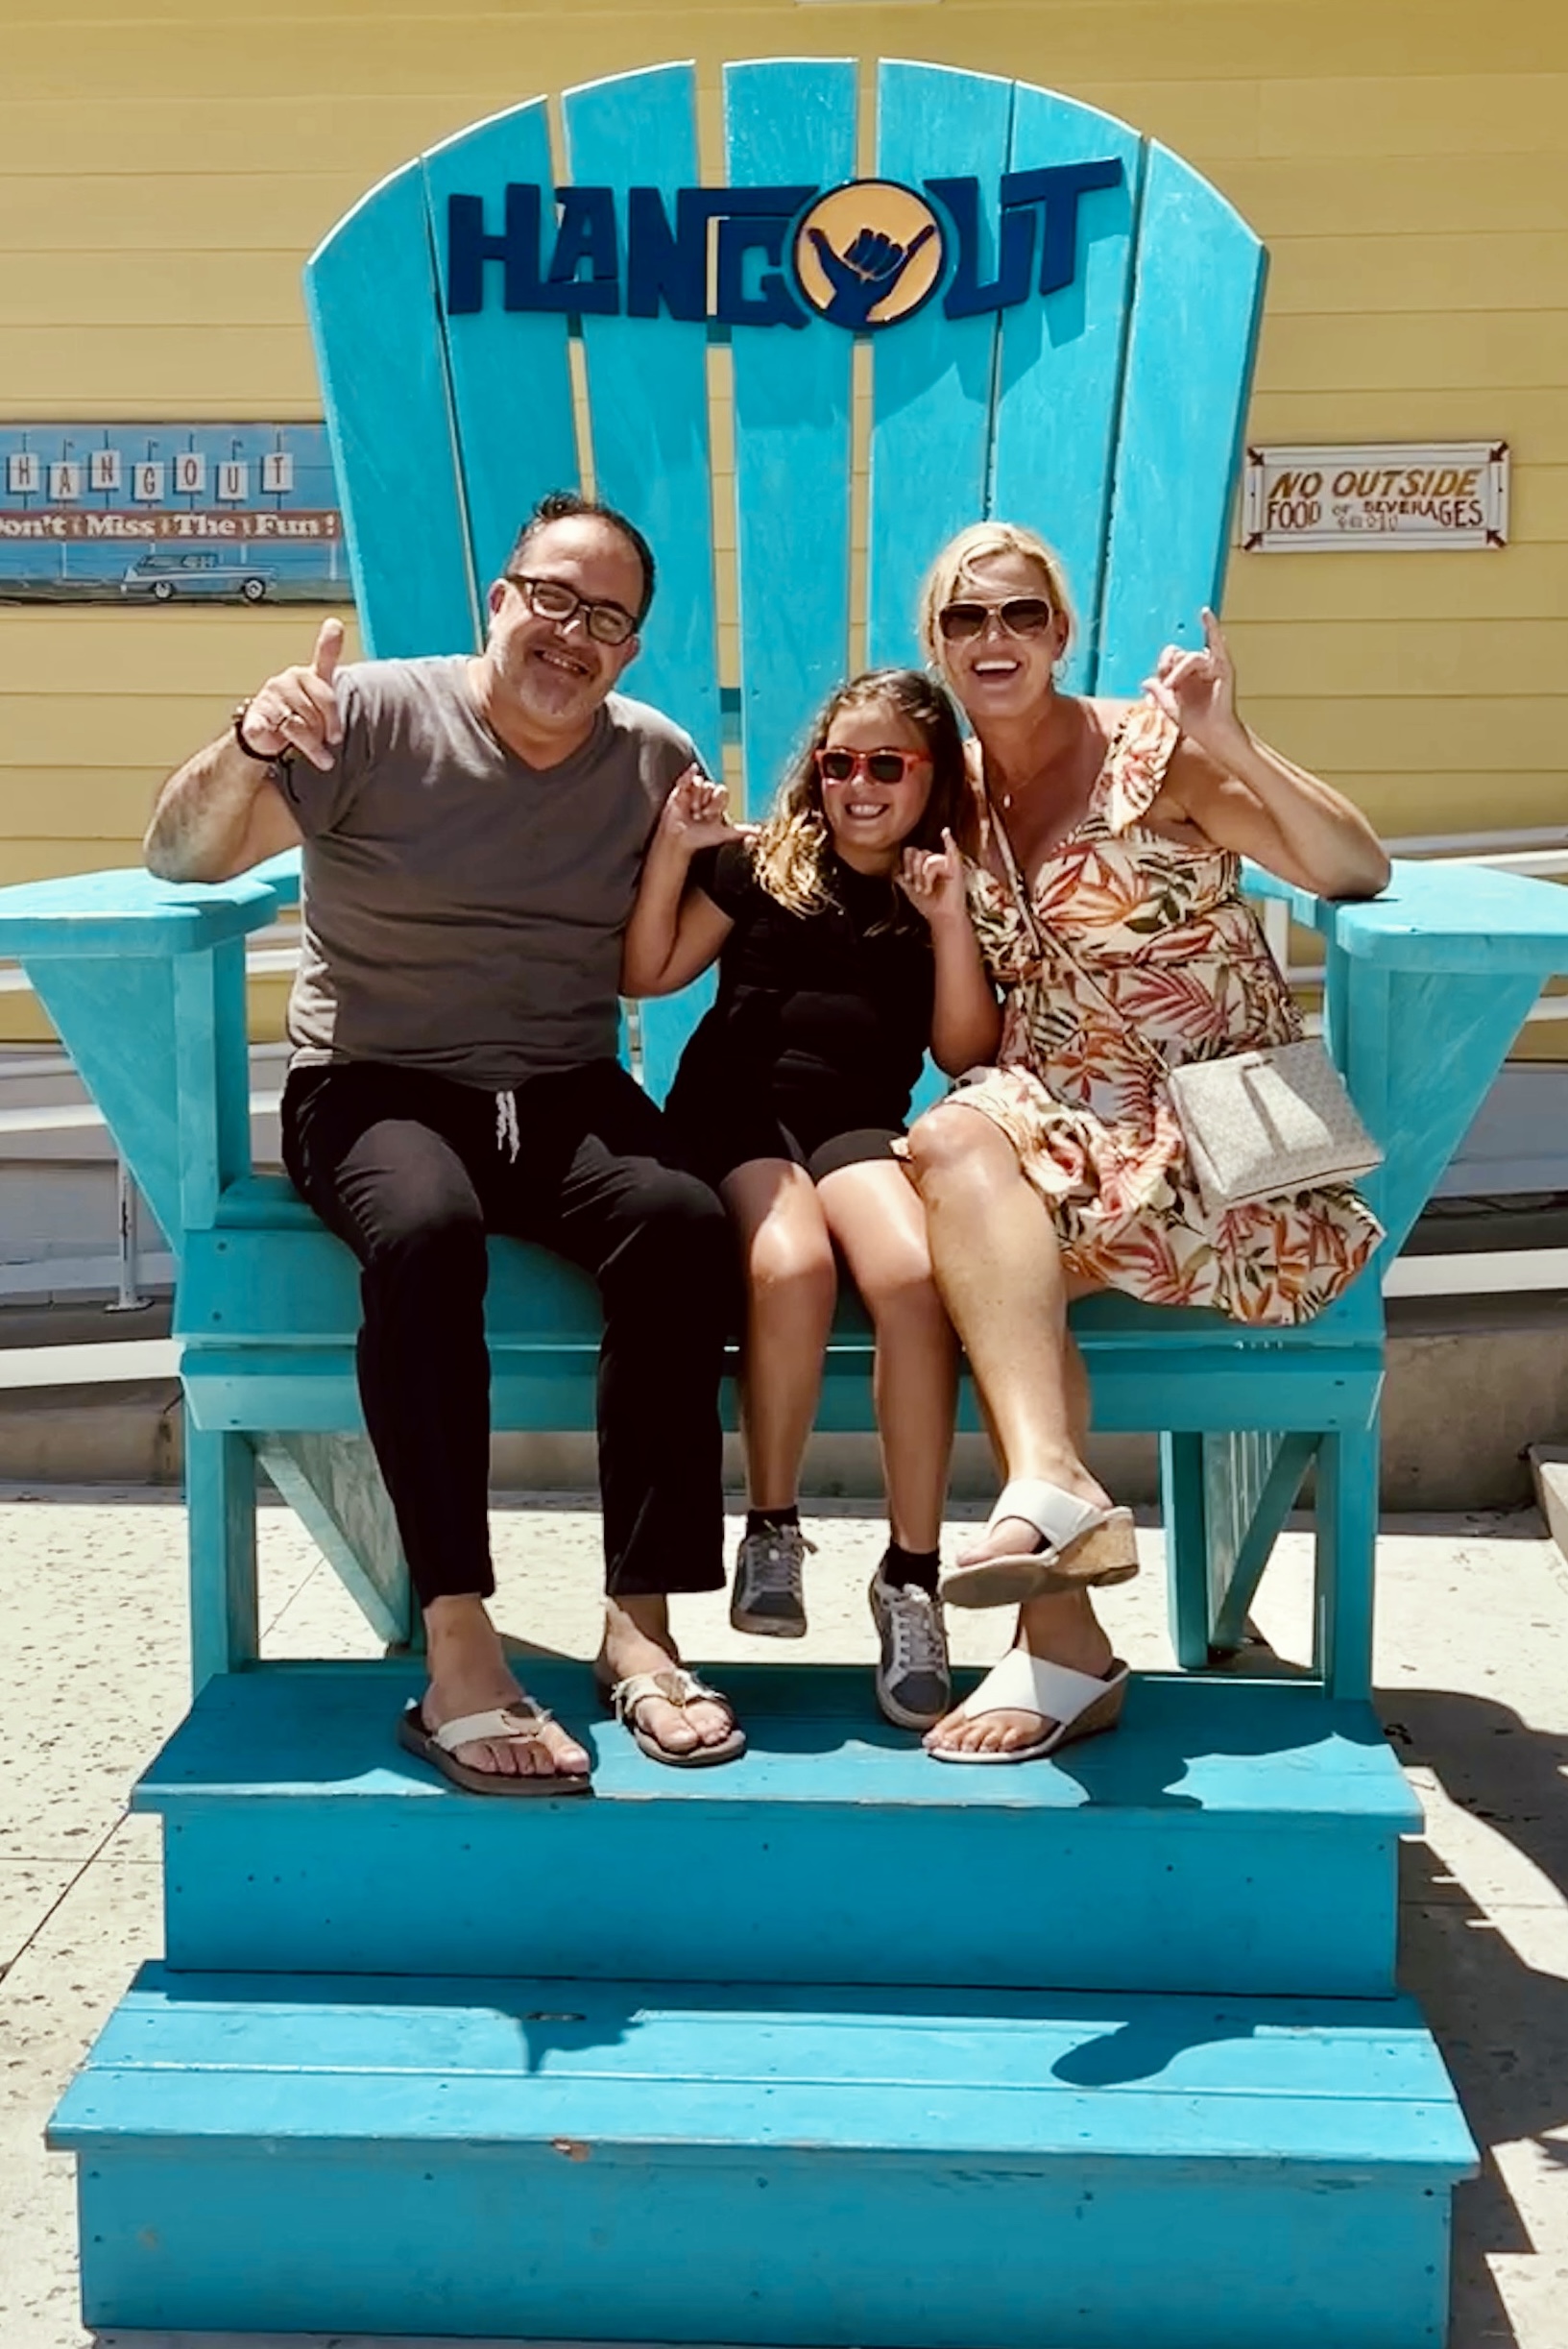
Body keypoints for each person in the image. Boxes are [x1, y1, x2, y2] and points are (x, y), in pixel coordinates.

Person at [143, 489, 747, 1793]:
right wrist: (249, 742)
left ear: (631, 649)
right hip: (372, 1081)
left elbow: (697, 929)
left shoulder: (650, 759)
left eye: (605, 618)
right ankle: (459, 1643)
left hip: (563, 1084)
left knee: (683, 1222)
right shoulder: (364, 716)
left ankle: (641, 1622)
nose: (571, 633)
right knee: (426, 1230)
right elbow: (180, 855)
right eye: (552, 597)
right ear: (499, 598)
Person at [901, 521, 1390, 1767]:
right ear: (936, 645)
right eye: (966, 617)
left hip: (1224, 1122)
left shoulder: (1154, 751)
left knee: (977, 1277)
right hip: (1059, 1120)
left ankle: (1061, 1629)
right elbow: (971, 1041)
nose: (994, 637)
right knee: (951, 1147)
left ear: (1060, 633)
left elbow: (1353, 866)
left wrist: (1233, 738)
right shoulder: (951, 793)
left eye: (1020, 614)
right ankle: (1054, 1499)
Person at [620, 669, 1000, 1729]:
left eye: (887, 765)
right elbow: (647, 971)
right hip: (735, 1119)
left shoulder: (939, 888)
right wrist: (675, 853)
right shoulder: (759, 866)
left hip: (854, 1124)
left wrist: (949, 920)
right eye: (839, 764)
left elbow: (960, 1050)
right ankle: (772, 1526)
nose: (859, 786)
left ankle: (911, 1577)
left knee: (916, 1281)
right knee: (792, 1265)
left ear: (933, 778)